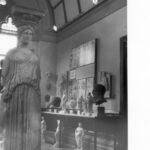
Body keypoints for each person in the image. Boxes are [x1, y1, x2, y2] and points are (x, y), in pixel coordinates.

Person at [1, 25, 41, 150]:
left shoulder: (35, 56)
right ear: (20, 34)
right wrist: (6, 89)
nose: (28, 35)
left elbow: (38, 76)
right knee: (16, 122)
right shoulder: (11, 53)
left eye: (30, 33)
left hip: (32, 91)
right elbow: (4, 74)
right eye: (25, 32)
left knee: (31, 123)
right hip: (16, 90)